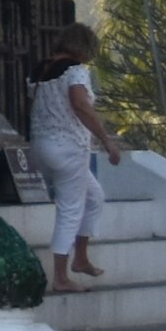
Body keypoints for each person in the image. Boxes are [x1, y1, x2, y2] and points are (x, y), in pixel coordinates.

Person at [30, 26, 122, 281]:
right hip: (69, 148)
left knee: (95, 198)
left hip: (42, 146)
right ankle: (61, 277)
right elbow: (80, 104)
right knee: (70, 210)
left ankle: (81, 258)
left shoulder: (39, 70)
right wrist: (106, 140)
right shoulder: (76, 71)